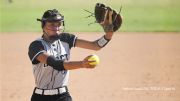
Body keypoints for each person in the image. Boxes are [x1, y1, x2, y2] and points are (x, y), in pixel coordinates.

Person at [28, 9, 114, 101]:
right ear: (43, 26)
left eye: (59, 24)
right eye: (52, 24)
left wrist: (108, 34)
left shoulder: (66, 39)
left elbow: (95, 45)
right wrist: (82, 64)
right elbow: (56, 64)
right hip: (41, 97)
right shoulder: (36, 46)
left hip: (63, 96)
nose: (56, 28)